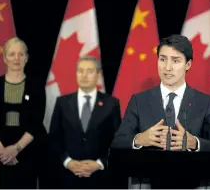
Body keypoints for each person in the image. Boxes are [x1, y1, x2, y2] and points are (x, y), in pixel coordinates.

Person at [112, 34, 210, 188]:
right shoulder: (139, 100)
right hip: (148, 183)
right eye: (163, 59)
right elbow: (117, 143)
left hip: (191, 182)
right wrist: (139, 139)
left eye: (176, 61)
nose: (167, 67)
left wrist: (194, 143)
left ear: (188, 64)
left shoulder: (205, 102)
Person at [48, 56, 122, 189]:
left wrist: (99, 163)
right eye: (80, 71)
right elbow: (54, 138)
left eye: (89, 71)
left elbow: (117, 140)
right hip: (67, 176)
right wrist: (68, 162)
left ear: (98, 75)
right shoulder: (62, 103)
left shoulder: (111, 104)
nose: (84, 75)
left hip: (100, 178)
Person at [0, 37, 47, 188]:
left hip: (28, 151)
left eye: (21, 54)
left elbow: (36, 122)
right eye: (12, 54)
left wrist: (16, 149)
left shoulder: (36, 86)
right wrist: (2, 152)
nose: (17, 58)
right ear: (5, 58)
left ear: (26, 58)